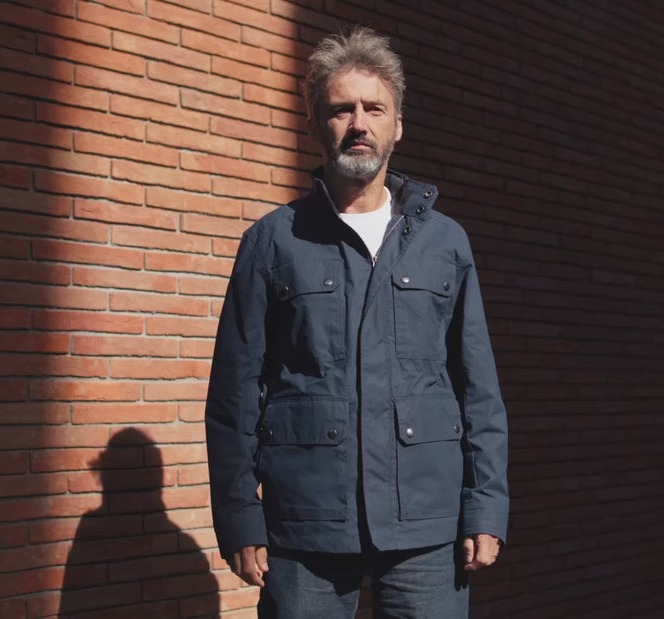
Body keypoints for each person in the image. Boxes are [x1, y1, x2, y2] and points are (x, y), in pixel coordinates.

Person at [206, 26, 509, 618]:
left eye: (375, 109)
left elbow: (478, 389)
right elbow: (234, 394)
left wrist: (486, 505)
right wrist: (240, 514)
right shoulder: (273, 242)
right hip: (305, 523)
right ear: (314, 125)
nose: (359, 123)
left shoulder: (445, 243)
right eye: (341, 109)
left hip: (427, 522)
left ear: (398, 125)